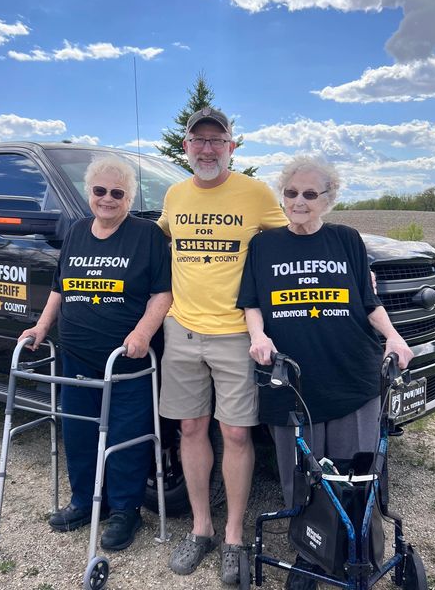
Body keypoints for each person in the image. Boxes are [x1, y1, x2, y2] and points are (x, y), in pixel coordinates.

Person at [237, 155, 414, 590]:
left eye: (310, 194)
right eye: (291, 193)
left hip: (351, 371)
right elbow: (253, 303)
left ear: (328, 199)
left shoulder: (347, 240)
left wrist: (394, 338)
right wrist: (257, 336)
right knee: (300, 473)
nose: (298, 201)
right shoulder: (264, 245)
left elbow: (368, 304)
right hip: (292, 376)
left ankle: (358, 551)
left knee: (357, 470)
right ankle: (311, 549)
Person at [157, 107, 288, 584]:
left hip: (237, 333)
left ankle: (234, 536)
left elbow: (292, 239)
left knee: (235, 434)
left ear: (233, 146)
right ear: (186, 146)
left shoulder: (255, 194)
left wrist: (352, 262)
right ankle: (201, 528)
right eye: (199, 140)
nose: (207, 148)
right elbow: (157, 244)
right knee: (191, 429)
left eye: (217, 140)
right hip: (182, 329)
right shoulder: (174, 194)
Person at [19, 155, 172, 551]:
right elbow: (60, 287)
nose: (107, 199)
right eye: (100, 191)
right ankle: (85, 502)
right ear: (90, 192)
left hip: (126, 359)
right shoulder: (77, 231)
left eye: (117, 193)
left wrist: (142, 333)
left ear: (129, 198)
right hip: (77, 354)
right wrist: (41, 326)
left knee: (127, 436)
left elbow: (163, 292)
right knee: (80, 432)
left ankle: (125, 511)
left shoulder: (146, 236)